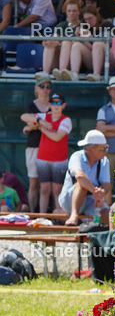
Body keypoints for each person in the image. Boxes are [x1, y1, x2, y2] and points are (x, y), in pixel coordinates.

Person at [32, 91, 74, 215]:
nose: (56, 105)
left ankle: (58, 218)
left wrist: (40, 127)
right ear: (49, 105)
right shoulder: (45, 116)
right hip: (43, 158)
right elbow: (24, 116)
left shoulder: (66, 120)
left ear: (63, 105)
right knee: (44, 189)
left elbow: (57, 137)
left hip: (59, 160)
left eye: (59, 103)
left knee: (57, 190)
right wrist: (40, 120)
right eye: (54, 103)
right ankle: (42, 217)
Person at [58, 129, 111, 226]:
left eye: (106, 148)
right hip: (69, 200)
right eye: (102, 149)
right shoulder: (76, 156)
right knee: (82, 184)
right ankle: (74, 215)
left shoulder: (104, 161)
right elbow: (79, 176)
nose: (105, 151)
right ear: (90, 149)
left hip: (91, 201)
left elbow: (106, 185)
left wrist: (102, 193)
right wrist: (96, 192)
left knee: (109, 214)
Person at [19, 76, 54, 213]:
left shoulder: (55, 104)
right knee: (33, 183)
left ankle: (47, 215)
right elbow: (26, 120)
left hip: (51, 147)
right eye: (42, 86)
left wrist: (34, 124)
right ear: (36, 88)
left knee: (49, 185)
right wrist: (43, 121)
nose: (45, 89)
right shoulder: (30, 105)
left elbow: (31, 125)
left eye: (48, 86)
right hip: (34, 147)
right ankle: (32, 214)